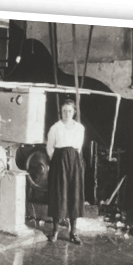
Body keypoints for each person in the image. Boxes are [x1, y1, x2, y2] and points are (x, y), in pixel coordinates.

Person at [46, 100, 85, 244]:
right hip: (59, 163)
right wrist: (58, 160)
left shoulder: (80, 128)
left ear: (74, 112)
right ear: (61, 112)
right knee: (58, 195)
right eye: (64, 111)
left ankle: (73, 232)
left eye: (69, 111)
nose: (67, 113)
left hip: (74, 162)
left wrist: (72, 159)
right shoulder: (55, 128)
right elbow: (50, 148)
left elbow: (79, 147)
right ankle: (55, 231)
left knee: (74, 194)